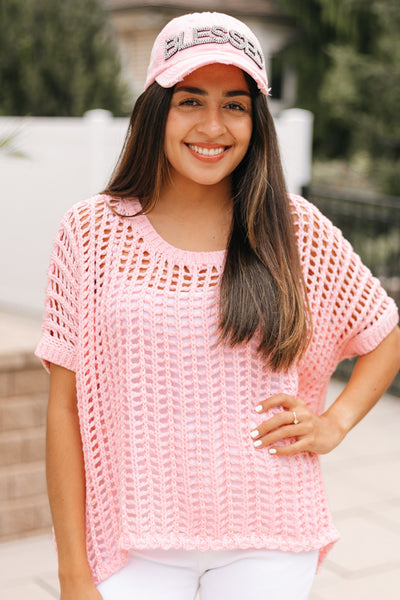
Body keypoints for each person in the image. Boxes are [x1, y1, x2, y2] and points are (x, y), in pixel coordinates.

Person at [35, 11, 400, 600]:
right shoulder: (89, 231)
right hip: (132, 543)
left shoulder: (294, 228)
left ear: (257, 120)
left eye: (235, 104)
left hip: (270, 541)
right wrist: (72, 571)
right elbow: (66, 411)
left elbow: (383, 333)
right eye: (190, 100)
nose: (213, 125)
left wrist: (334, 423)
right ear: (157, 108)